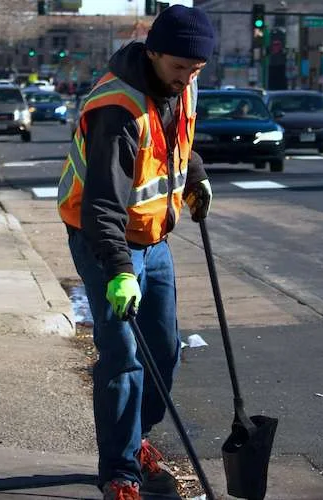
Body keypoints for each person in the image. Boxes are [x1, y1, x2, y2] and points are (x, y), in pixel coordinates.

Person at [56, 5, 214, 499]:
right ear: (153, 53)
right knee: (123, 357)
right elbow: (103, 203)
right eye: (179, 68)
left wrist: (196, 176)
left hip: (154, 238)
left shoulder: (178, 86)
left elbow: (174, 141)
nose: (186, 77)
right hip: (104, 240)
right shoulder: (116, 110)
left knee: (164, 350)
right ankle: (120, 472)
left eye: (195, 70)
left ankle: (137, 438)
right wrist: (120, 271)